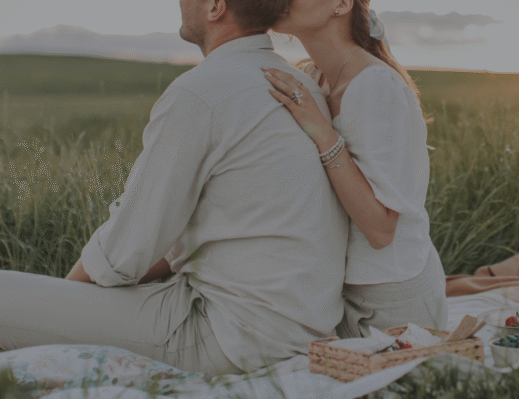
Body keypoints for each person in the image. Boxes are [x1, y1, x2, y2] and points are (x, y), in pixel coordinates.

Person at [0, 0, 349, 376]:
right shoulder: (302, 88)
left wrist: (64, 301)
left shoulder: (202, 91)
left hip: (229, 338)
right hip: (296, 332)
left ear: (216, 7)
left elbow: (125, 250)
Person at [263, 0, 448, 338]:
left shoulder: (374, 84)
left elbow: (381, 230)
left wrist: (322, 131)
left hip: (393, 301)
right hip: (337, 293)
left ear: (342, 4)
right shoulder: (314, 78)